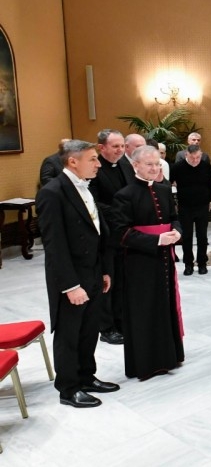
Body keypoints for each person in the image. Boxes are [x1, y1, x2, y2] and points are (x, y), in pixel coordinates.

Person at [36, 140, 119, 408]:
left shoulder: (86, 188)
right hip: (70, 277)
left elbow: (97, 230)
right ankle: (69, 388)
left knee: (89, 330)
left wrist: (104, 270)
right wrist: (70, 285)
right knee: (69, 333)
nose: (98, 164)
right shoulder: (53, 192)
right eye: (93, 159)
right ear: (73, 161)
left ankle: (86, 376)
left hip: (93, 272)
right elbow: (55, 245)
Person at [109, 145, 184, 380]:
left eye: (157, 164)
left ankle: (168, 357)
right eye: (149, 164)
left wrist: (177, 232)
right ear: (135, 166)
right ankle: (147, 363)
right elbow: (121, 234)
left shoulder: (163, 190)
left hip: (163, 259)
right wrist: (157, 240)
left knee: (165, 306)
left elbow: (174, 218)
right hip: (139, 262)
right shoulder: (124, 195)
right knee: (145, 310)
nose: (154, 168)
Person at [89, 129, 135, 345]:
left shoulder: (125, 164)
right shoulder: (93, 168)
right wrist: (119, 213)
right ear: (101, 148)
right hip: (106, 234)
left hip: (126, 233)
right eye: (115, 146)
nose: (120, 150)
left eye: (122, 146)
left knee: (124, 281)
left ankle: (121, 320)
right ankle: (106, 327)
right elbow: (93, 202)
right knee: (108, 282)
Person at [171, 144, 211, 275]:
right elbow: (169, 184)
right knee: (187, 236)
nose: (195, 160)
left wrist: (209, 200)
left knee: (202, 236)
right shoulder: (178, 167)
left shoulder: (206, 166)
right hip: (185, 207)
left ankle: (202, 263)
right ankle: (188, 264)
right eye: (192, 158)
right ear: (186, 155)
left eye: (198, 157)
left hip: (202, 206)